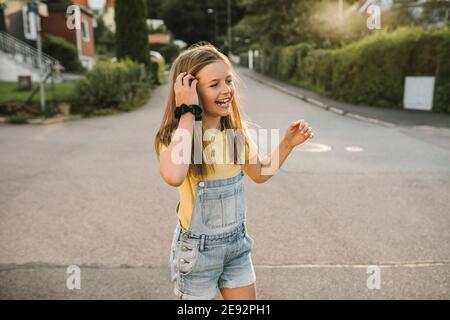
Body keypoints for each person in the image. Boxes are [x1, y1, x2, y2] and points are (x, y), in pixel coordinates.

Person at [154, 42, 314, 300]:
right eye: (214, 84)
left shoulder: (234, 135)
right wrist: (188, 112)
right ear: (191, 91)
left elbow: (260, 173)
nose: (227, 89)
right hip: (197, 253)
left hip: (236, 248)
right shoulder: (176, 137)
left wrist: (287, 144)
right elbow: (173, 175)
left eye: (228, 81)